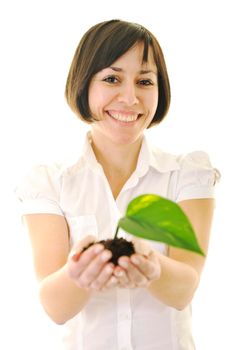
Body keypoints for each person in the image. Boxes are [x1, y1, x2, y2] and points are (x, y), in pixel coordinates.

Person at [16, 19, 220, 350]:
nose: (130, 97)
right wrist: (78, 275)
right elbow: (54, 307)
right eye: (112, 79)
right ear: (84, 85)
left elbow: (186, 289)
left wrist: (154, 268)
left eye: (144, 81)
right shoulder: (49, 182)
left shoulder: (188, 175)